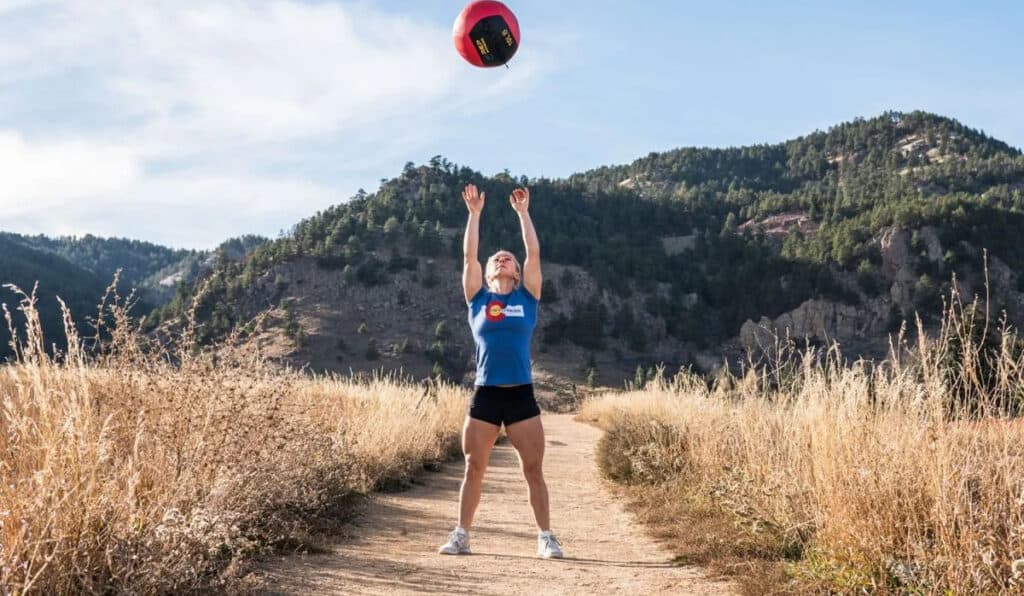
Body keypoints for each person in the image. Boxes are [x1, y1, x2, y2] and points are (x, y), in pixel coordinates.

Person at [438, 183, 563, 559]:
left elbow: (535, 253)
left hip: (521, 394)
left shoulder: (528, 297)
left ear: (518, 270)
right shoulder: (477, 298)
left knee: (533, 470)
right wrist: (474, 215)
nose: (502, 260)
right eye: (497, 258)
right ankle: (462, 534)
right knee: (474, 467)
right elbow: (468, 257)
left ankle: (546, 537)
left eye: (508, 258)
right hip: (486, 394)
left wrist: (524, 214)